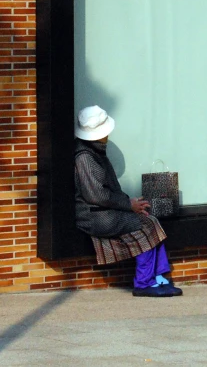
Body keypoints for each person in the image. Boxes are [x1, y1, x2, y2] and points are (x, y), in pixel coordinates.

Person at [74, 105, 183, 298]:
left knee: (150, 218)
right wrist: (128, 205)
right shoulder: (85, 158)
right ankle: (143, 282)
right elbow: (96, 196)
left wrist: (131, 204)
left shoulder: (94, 152)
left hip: (102, 211)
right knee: (145, 225)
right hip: (94, 216)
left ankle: (158, 276)